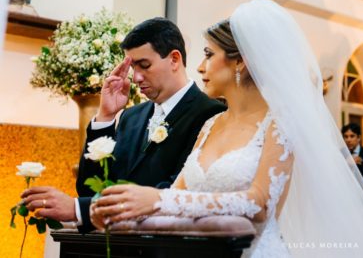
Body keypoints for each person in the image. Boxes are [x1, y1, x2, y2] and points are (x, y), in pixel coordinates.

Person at [91, 0, 363, 257]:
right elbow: (177, 194)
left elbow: (259, 203)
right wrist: (122, 210)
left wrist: (158, 200)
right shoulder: (211, 125)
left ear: (240, 61)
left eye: (209, 55)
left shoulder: (280, 124)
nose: (200, 66)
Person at [21, 17, 226, 232]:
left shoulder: (210, 114)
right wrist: (105, 117)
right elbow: (90, 188)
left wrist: (78, 209)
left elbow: (175, 192)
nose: (136, 78)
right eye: (132, 68)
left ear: (174, 59)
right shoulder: (131, 116)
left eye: (144, 66)